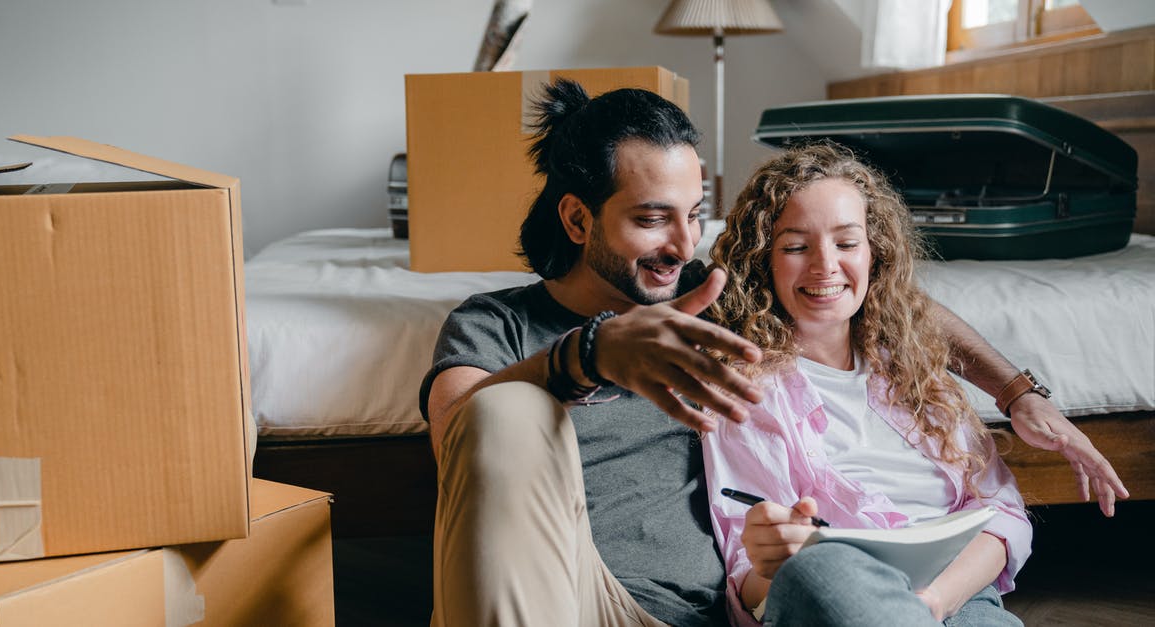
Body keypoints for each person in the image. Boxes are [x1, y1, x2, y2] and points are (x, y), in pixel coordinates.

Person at [419, 80, 1125, 627]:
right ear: (577, 217)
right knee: (508, 409)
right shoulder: (497, 323)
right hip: (573, 599)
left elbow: (884, 300)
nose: (681, 244)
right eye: (650, 218)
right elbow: (463, 438)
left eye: (694, 214)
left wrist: (1016, 391)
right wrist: (588, 355)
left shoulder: (706, 293)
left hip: (712, 610)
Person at [704, 141, 1033, 626]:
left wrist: (935, 602)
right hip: (839, 596)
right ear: (762, 260)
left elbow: (1004, 514)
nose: (825, 265)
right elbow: (751, 578)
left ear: (875, 252)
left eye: (846, 242)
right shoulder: (746, 391)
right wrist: (776, 558)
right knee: (826, 577)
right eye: (795, 246)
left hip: (956, 591)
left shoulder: (917, 366)